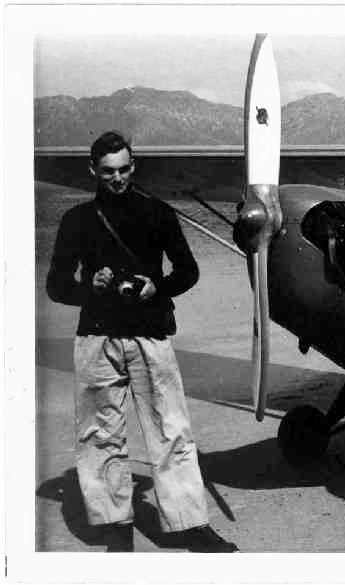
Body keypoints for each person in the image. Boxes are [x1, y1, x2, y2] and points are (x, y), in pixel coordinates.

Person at [46, 131, 238, 553]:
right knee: (100, 434)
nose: (117, 179)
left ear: (134, 167)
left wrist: (158, 288)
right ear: (93, 171)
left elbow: (188, 271)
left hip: (150, 334)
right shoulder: (76, 219)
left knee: (172, 430)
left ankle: (191, 523)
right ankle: (116, 525)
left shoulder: (159, 213)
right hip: (97, 336)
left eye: (124, 170)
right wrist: (89, 287)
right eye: (108, 171)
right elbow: (56, 286)